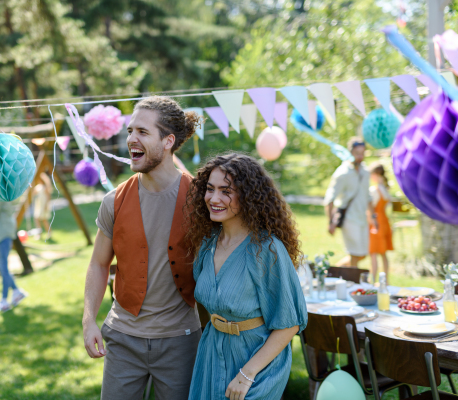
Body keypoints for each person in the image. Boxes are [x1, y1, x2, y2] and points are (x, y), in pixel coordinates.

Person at [82, 96, 203, 400]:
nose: (131, 139)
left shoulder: (201, 200)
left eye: (143, 132)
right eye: (130, 131)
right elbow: (98, 264)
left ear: (168, 141)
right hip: (123, 339)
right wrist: (88, 321)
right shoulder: (114, 201)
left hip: (181, 341)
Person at [185, 153, 307, 400]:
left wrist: (247, 373)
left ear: (248, 196)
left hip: (255, 361)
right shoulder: (207, 244)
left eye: (225, 191)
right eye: (210, 189)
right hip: (212, 352)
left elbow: (289, 324)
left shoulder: (267, 249)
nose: (214, 198)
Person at [324, 137, 378, 267]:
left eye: (362, 153)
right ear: (350, 153)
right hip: (349, 219)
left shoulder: (365, 171)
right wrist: (330, 222)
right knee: (354, 254)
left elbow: (368, 197)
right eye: (357, 153)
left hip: (362, 219)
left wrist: (373, 217)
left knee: (362, 254)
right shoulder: (342, 173)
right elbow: (329, 199)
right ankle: (354, 283)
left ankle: (335, 270)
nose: (360, 156)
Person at [369, 162, 393, 281]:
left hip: (375, 223)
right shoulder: (386, 189)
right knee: (383, 253)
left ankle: (373, 280)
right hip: (384, 222)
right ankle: (386, 280)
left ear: (376, 174)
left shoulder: (374, 190)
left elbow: (370, 208)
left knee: (373, 253)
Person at [33, 172, 52, 240]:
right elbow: (33, 193)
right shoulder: (38, 187)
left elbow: (48, 197)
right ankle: (39, 233)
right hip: (38, 205)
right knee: (37, 218)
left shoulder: (45, 187)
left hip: (43, 205)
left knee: (44, 219)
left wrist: (46, 206)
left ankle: (49, 232)